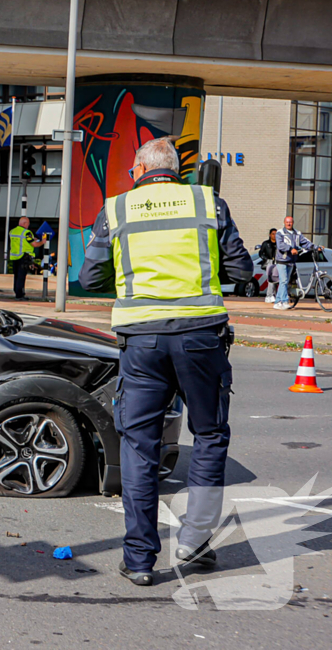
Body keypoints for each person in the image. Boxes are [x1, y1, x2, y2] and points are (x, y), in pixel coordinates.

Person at [79, 138, 253, 586]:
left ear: (138, 169)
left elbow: (90, 277)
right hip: (200, 338)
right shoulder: (208, 203)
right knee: (210, 434)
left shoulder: (117, 209)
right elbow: (241, 271)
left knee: (139, 446)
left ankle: (138, 560)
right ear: (178, 170)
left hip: (142, 342)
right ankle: (194, 546)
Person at [274, 216, 320, 310]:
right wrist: (291, 249)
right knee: (284, 280)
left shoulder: (297, 233)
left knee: (285, 282)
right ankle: (284, 301)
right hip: (282, 260)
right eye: (287, 222)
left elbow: (305, 242)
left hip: (291, 261)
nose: (289, 224)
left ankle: (278, 302)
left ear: (293, 223)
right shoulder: (280, 233)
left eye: (290, 222)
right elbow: (280, 245)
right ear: (284, 222)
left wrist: (315, 247)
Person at [8, 216, 46, 300]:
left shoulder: (12, 231)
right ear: (24, 223)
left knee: (16, 276)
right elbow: (34, 244)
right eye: (28, 223)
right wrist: (42, 242)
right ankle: (20, 295)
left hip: (14, 257)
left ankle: (17, 292)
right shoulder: (26, 233)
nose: (28, 225)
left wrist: (33, 239)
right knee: (21, 277)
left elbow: (22, 241)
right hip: (23, 257)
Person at [259, 228, 278, 303]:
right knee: (272, 278)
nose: (274, 235)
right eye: (273, 234)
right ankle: (269, 295)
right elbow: (261, 253)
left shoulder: (279, 244)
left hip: (277, 262)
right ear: (270, 235)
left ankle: (273, 295)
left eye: (276, 234)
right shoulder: (266, 243)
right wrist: (265, 259)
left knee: (276, 279)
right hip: (269, 262)